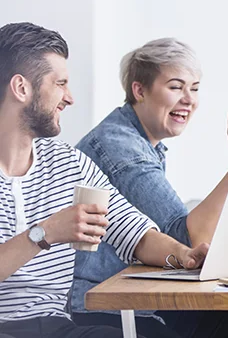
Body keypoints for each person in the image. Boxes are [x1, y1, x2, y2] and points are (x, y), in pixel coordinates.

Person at [0, 22, 207, 338]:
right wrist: (45, 233)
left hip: (57, 325)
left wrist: (183, 255)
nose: (69, 98)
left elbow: (133, 232)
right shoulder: (113, 145)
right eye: (61, 83)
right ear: (21, 88)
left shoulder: (68, 163)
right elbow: (45, 235)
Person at [71, 38, 228, 337]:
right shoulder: (121, 149)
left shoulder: (138, 139)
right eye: (176, 86)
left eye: (194, 88)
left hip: (141, 294)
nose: (189, 99)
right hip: (108, 306)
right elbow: (187, 236)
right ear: (139, 90)